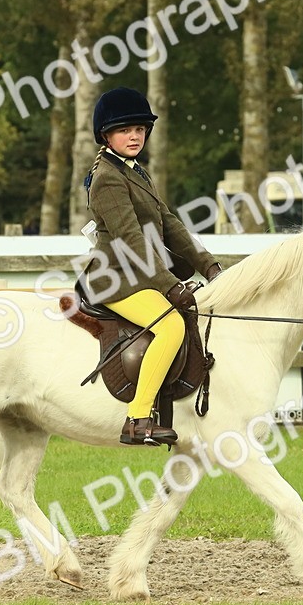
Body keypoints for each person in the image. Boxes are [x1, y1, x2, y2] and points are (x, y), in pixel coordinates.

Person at [80, 87, 222, 447]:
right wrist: (170, 285)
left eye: (140, 129)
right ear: (106, 135)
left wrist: (210, 266)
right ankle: (137, 419)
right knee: (171, 325)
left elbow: (169, 224)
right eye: (125, 130)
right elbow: (132, 240)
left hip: (140, 274)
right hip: (116, 278)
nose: (134, 136)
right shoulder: (107, 178)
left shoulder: (135, 171)